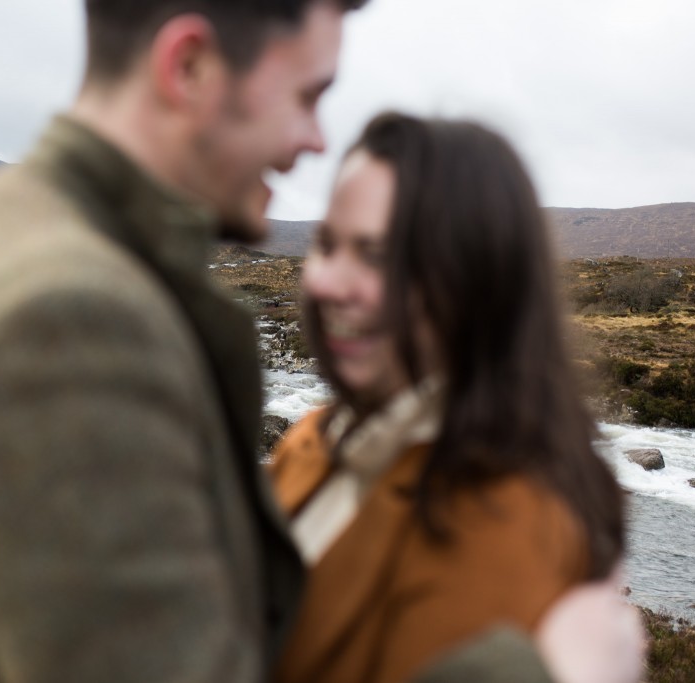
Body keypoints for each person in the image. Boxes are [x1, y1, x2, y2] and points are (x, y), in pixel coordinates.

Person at [0, 0, 641, 681]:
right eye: (309, 95)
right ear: (189, 66)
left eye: (378, 254)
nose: (315, 138)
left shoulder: (4, 220)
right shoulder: (75, 320)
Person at [269, 112, 644, 683]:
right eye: (326, 244)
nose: (323, 282)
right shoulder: (313, 438)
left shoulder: (513, 519)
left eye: (375, 255)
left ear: (474, 279)